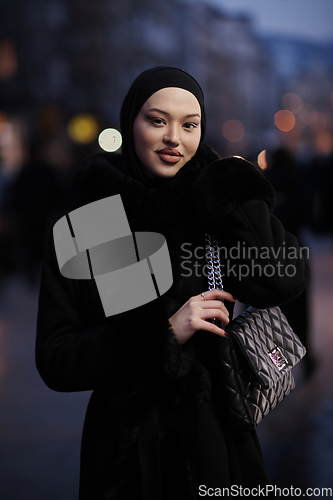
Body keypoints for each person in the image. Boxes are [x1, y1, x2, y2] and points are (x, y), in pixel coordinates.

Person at [36, 67, 310, 499]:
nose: (173, 138)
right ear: (131, 123)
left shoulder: (212, 206)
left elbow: (281, 278)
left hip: (218, 443)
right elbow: (56, 357)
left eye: (190, 125)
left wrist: (233, 191)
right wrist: (162, 335)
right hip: (128, 455)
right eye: (157, 120)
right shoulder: (92, 222)